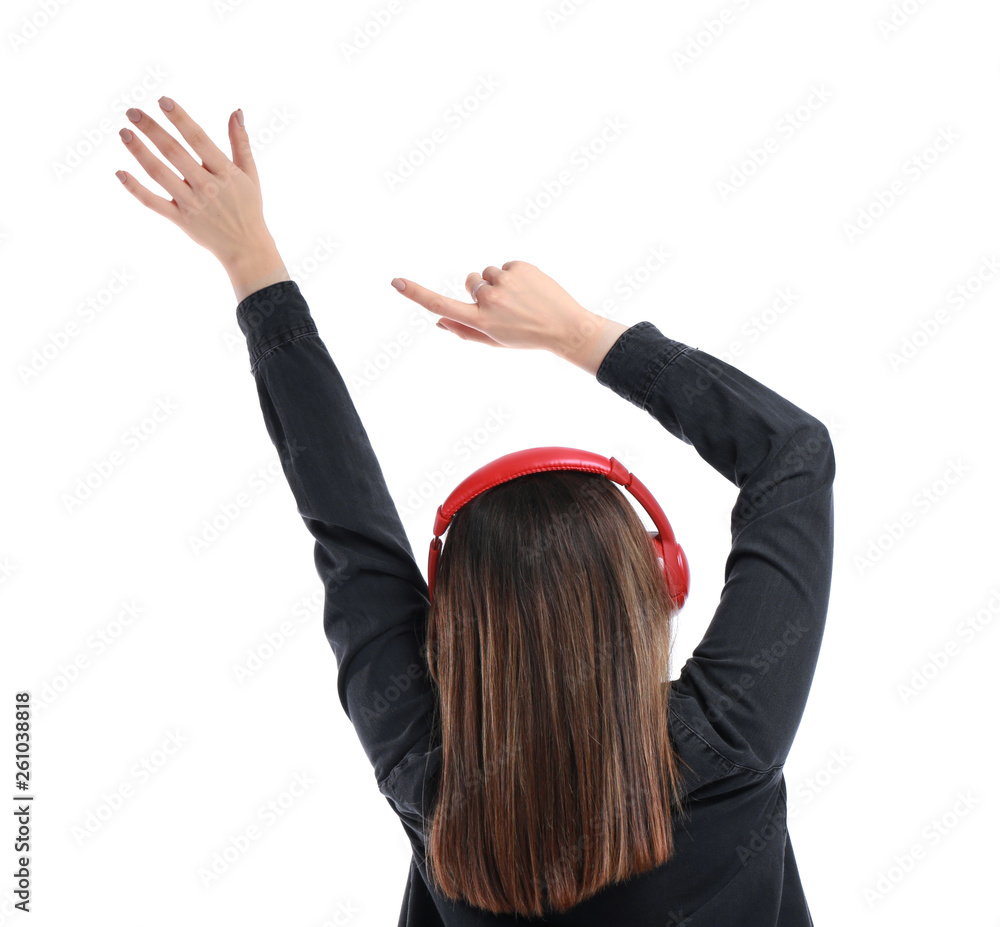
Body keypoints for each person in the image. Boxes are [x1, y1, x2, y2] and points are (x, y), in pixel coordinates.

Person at [116, 98, 835, 925]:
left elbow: (347, 521)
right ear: (659, 580)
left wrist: (249, 260)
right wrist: (578, 333)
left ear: (446, 624)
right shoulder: (728, 740)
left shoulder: (426, 771)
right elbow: (793, 456)